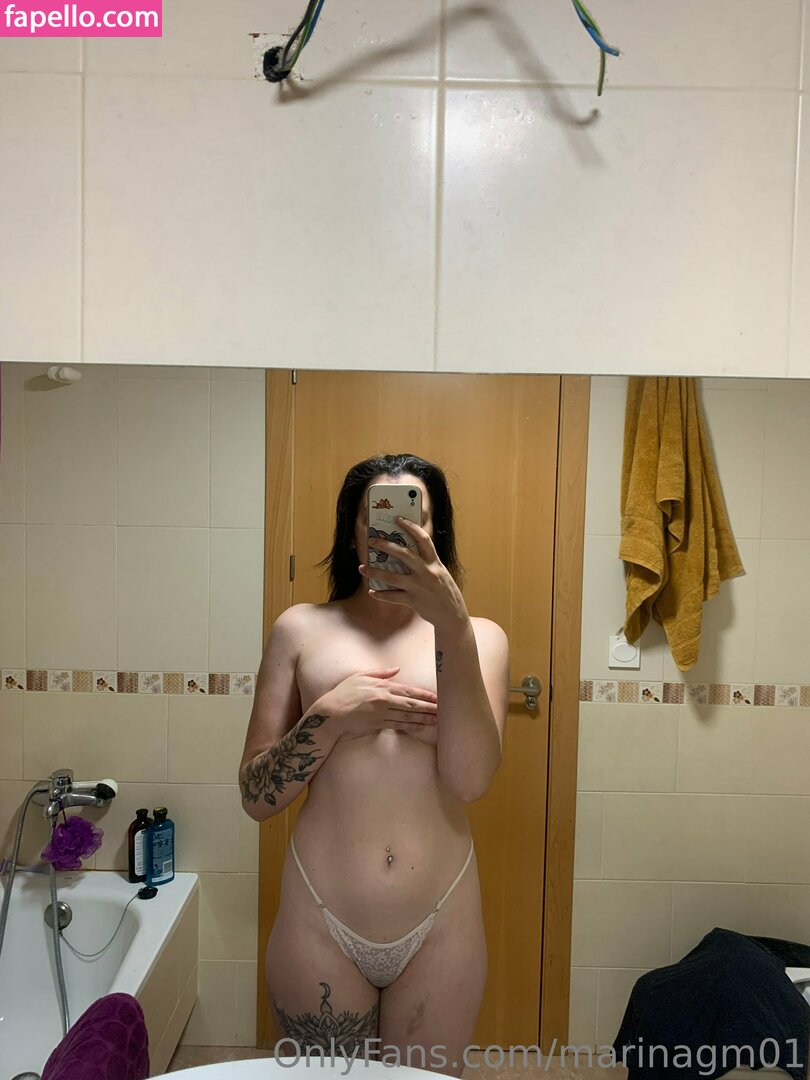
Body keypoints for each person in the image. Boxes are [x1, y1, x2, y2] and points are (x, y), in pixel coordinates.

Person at [239, 454, 510, 1076]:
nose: (396, 531)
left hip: (441, 922)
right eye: (377, 517)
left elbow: (470, 781)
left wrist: (452, 625)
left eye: (415, 517)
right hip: (319, 920)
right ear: (353, 531)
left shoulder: (480, 637)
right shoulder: (299, 630)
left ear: (436, 531)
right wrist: (331, 718)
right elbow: (255, 796)